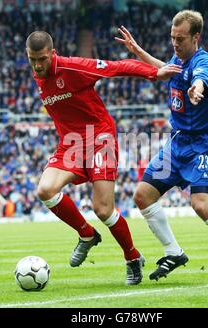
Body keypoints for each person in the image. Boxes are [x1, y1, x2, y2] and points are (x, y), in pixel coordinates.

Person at [26, 31, 171, 285]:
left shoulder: (73, 67)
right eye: (32, 60)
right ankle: (86, 234)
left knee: (102, 209)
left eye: (42, 59)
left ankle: (132, 257)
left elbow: (116, 67)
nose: (38, 65)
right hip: (70, 145)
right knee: (45, 189)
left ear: (52, 53)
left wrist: (153, 73)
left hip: (100, 138)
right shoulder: (38, 75)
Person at [116, 10, 208, 284]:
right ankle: (173, 252)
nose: (175, 43)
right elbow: (164, 70)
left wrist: (196, 89)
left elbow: (200, 77)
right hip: (177, 141)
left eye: (180, 39)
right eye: (172, 38)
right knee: (142, 195)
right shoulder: (179, 59)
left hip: (202, 143)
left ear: (196, 37)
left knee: (201, 204)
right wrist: (137, 50)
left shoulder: (204, 62)